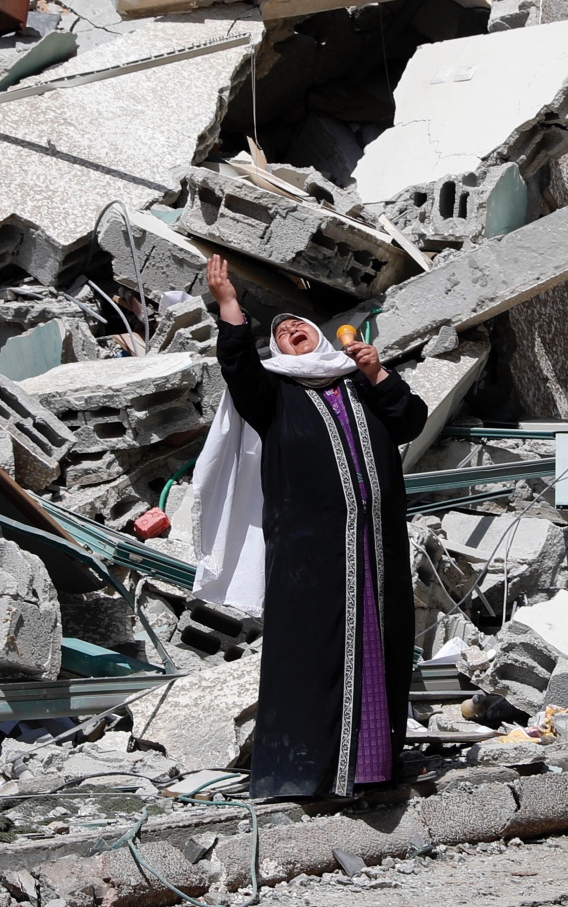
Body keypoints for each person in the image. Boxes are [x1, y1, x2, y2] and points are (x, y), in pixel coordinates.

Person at [191, 254, 428, 799]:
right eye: (280, 331)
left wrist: (375, 371)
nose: (292, 329)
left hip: (375, 547)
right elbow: (237, 368)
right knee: (312, 652)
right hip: (309, 554)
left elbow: (409, 421)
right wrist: (229, 304)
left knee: (376, 644)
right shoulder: (274, 394)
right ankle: (304, 773)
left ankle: (369, 767)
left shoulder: (357, 382)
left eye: (299, 324)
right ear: (275, 350)